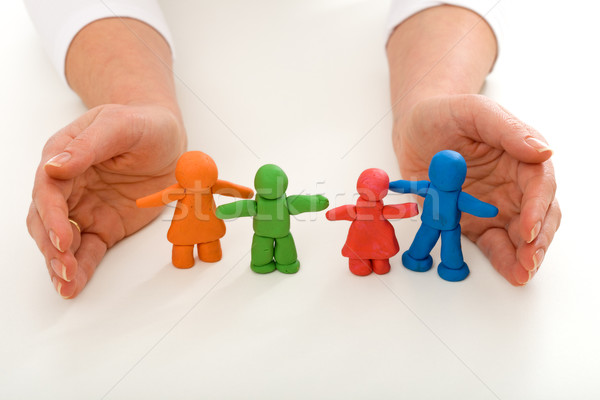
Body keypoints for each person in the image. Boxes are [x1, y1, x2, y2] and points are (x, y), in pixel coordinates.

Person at [24, 0, 560, 298]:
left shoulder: (403, 192)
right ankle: (415, 256)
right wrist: (135, 101)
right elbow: (242, 201)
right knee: (415, 240)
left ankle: (419, 256)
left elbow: (301, 203)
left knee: (422, 240)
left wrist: (437, 98)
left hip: (360, 47)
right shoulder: (247, 195)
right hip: (231, 210)